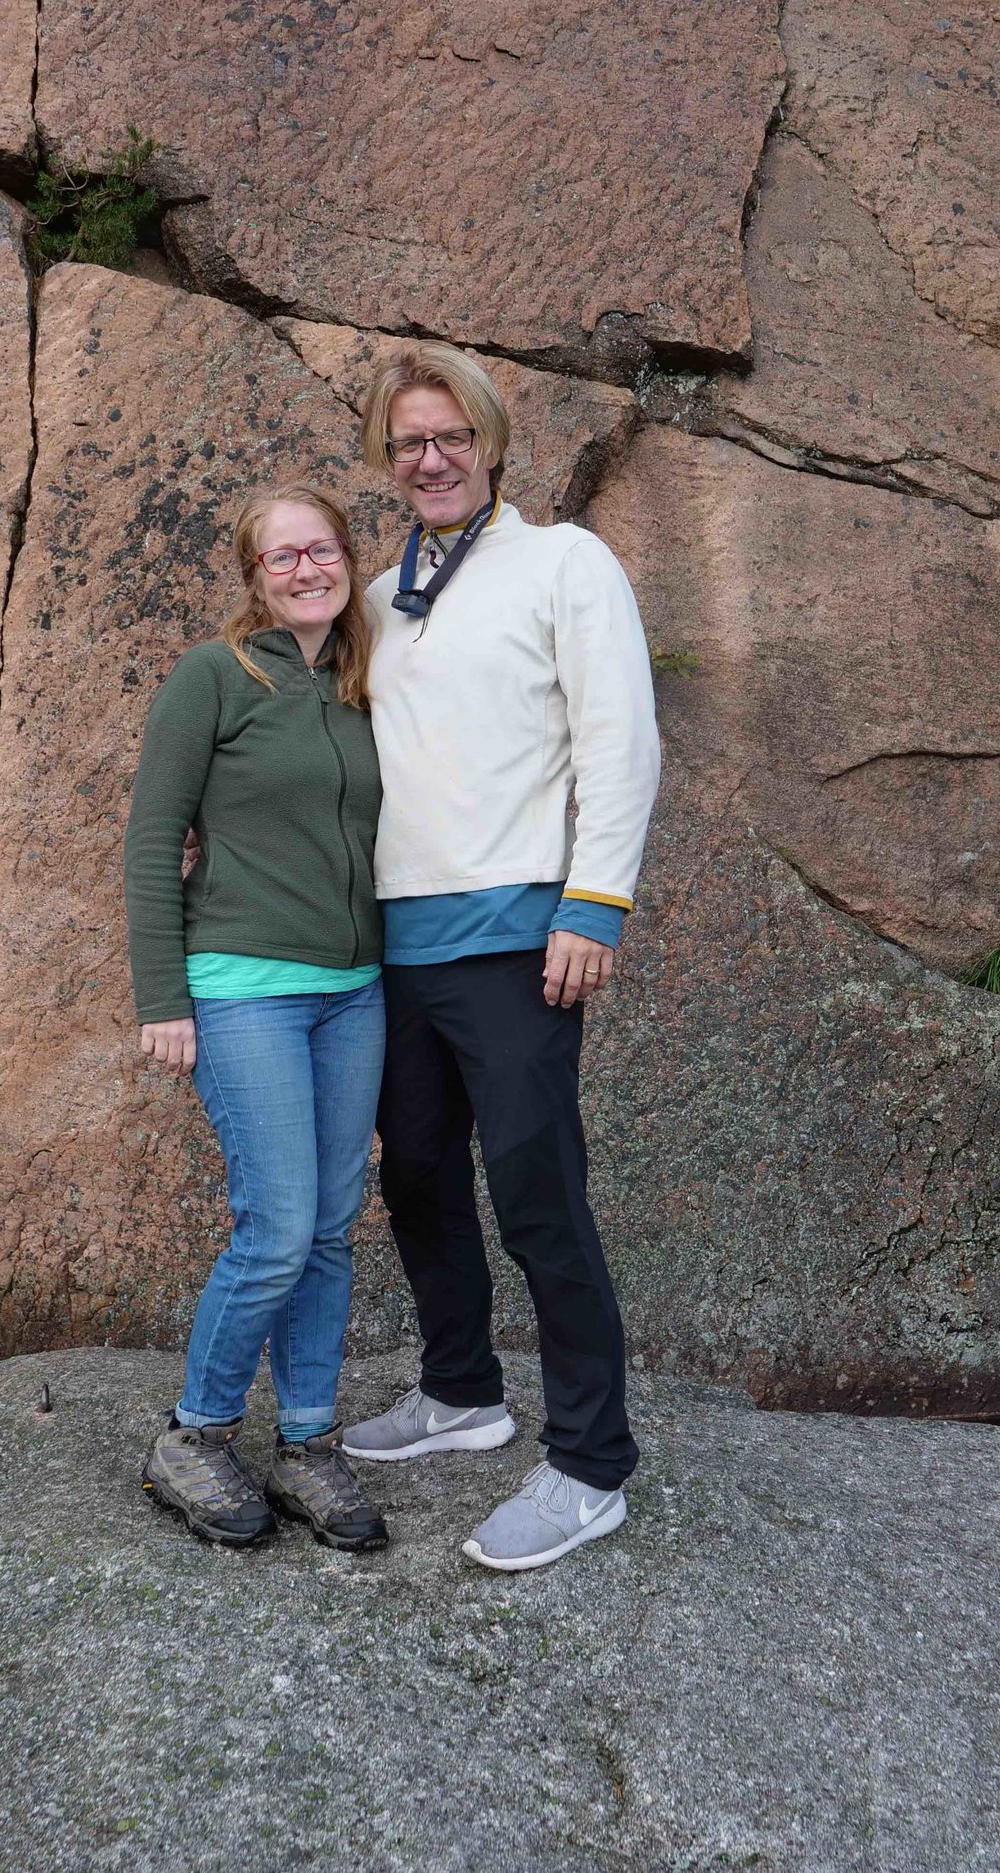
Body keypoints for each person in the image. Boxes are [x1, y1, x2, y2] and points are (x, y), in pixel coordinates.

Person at [337, 343, 662, 1572]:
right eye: (407, 443)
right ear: (389, 459)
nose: (430, 459)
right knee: (416, 1175)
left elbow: (619, 739)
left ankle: (587, 1465)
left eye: (450, 438)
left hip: (521, 940)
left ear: (489, 444)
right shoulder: (374, 601)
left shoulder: (563, 563)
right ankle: (462, 1394)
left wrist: (596, 905)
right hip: (396, 951)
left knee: (538, 1195)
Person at [124, 483, 390, 1553]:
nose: (306, 569)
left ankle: (310, 1446)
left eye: (321, 550)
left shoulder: (365, 684)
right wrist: (163, 1001)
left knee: (328, 1229)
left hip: (356, 993)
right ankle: (195, 1433)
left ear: (345, 560)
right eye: (282, 557)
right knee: (276, 1226)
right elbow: (152, 841)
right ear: (253, 576)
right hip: (242, 989)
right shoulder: (212, 677)